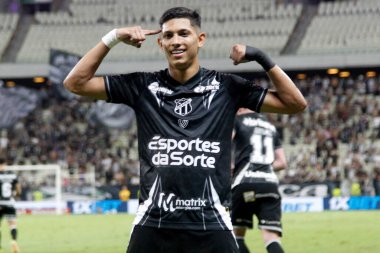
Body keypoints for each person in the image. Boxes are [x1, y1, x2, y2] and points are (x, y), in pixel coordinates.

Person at [64, 7, 307, 253]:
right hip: (154, 222)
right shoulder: (142, 86)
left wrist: (260, 57)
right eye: (168, 36)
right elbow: (76, 83)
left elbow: (295, 104)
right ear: (160, 43)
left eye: (183, 33)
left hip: (211, 222)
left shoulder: (228, 87)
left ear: (200, 39)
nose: (176, 41)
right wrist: (113, 37)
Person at [231, 109, 287, 253]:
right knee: (271, 239)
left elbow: (222, 147)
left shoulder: (237, 120)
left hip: (245, 183)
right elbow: (282, 162)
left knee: (237, 237)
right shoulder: (270, 126)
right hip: (269, 185)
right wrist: (264, 167)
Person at [0, 156, 21, 253]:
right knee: (12, 225)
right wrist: (16, 195)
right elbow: (18, 189)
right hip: (9, 203)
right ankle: (13, 241)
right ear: (5, 164)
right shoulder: (12, 175)